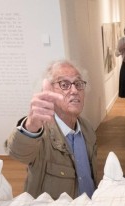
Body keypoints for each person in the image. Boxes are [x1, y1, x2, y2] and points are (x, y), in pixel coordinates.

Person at [6, 60, 97, 199]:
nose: (74, 91)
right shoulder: (41, 131)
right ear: (48, 91)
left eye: (78, 84)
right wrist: (31, 126)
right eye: (64, 84)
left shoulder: (87, 129)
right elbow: (18, 153)